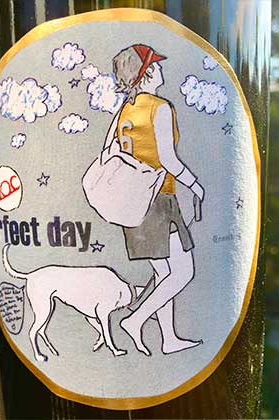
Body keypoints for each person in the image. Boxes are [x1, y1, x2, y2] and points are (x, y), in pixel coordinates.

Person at [103, 44, 205, 356]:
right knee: (183, 272)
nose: (160, 69)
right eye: (155, 65)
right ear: (146, 73)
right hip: (159, 201)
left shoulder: (125, 111)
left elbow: (108, 153)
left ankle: (169, 339)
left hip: (133, 205)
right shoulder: (159, 108)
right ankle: (135, 321)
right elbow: (169, 160)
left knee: (164, 273)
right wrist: (195, 185)